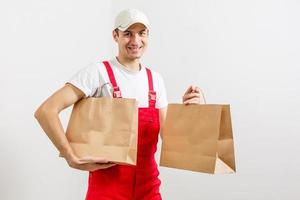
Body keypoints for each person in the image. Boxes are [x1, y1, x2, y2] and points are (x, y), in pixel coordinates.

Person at [34, 8, 203, 200]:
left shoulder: (155, 80)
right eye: (128, 34)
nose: (135, 41)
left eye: (142, 33)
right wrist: (70, 157)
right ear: (115, 35)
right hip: (106, 190)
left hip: (149, 189)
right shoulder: (98, 73)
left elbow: (171, 140)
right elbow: (46, 111)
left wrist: (191, 111)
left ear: (148, 36)